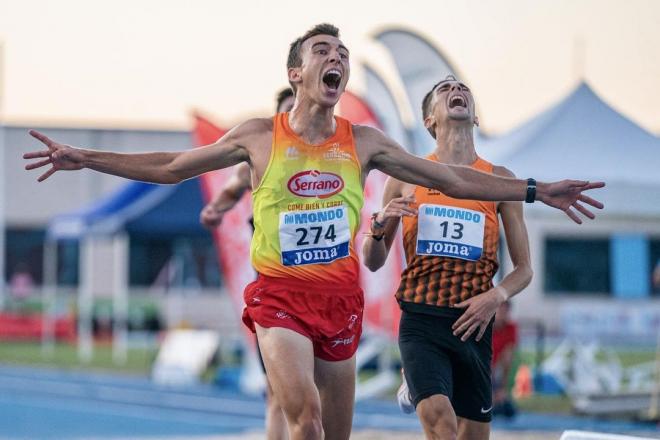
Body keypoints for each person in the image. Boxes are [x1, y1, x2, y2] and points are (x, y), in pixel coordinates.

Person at [24, 24, 604, 440]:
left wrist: (534, 190)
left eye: (343, 54)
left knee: (334, 433)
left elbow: (450, 176)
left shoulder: (365, 143)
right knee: (305, 420)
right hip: (279, 296)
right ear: (295, 73)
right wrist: (88, 157)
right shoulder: (258, 135)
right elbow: (173, 166)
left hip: (340, 299)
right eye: (323, 51)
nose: (338, 59)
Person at [362, 76, 534, 439]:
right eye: (445, 89)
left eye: (463, 89)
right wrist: (380, 223)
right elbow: (373, 260)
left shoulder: (501, 181)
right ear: (429, 120)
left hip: (474, 321)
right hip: (421, 317)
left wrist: (495, 297)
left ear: (474, 117)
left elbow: (524, 270)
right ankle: (417, 376)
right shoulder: (405, 177)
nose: (457, 91)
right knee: (442, 424)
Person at [200, 87, 295, 440]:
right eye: (288, 112)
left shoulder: (330, 158)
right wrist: (217, 208)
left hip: (322, 288)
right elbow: (234, 185)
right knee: (276, 392)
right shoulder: (263, 157)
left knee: (315, 393)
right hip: (274, 293)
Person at [491, 301, 518, 419]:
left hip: (498, 369)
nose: (502, 314)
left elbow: (510, 352)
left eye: (505, 311)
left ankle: (501, 393)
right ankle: (494, 396)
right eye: (500, 310)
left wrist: (502, 387)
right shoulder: (486, 326)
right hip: (485, 365)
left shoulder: (511, 327)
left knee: (509, 411)